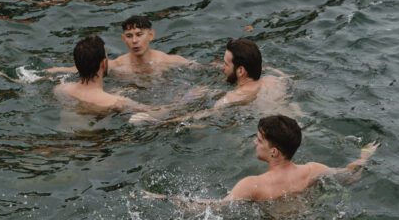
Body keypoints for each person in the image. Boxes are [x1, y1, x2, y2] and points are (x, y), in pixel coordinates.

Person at [133, 38, 289, 125]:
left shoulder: (233, 98)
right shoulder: (276, 79)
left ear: (241, 71)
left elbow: (200, 118)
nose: (222, 68)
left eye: (226, 64)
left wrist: (157, 124)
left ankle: (152, 112)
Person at [226, 115, 379, 202]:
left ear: (274, 152)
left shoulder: (252, 185)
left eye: (259, 140)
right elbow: (350, 176)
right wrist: (364, 157)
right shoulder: (313, 170)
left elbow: (218, 208)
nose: (254, 142)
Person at [47, 15, 192, 76]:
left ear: (151, 35)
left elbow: (200, 68)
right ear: (123, 39)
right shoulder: (118, 65)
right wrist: (45, 74)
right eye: (129, 36)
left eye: (139, 34)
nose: (134, 41)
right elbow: (80, 68)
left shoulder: (168, 61)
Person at [53, 35, 157, 116]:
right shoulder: (116, 102)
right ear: (103, 63)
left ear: (77, 64)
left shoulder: (61, 89)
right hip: (96, 141)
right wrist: (174, 104)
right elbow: (157, 113)